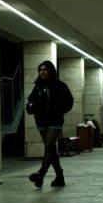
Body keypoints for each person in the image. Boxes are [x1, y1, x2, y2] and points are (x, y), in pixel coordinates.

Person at [26, 60, 74, 188]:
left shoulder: (60, 85)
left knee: (49, 145)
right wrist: (31, 106)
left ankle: (41, 174)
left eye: (45, 69)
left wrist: (58, 109)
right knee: (51, 149)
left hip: (55, 120)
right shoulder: (37, 87)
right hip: (41, 120)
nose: (42, 72)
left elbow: (69, 101)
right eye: (40, 70)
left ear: (51, 71)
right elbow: (30, 101)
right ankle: (60, 177)